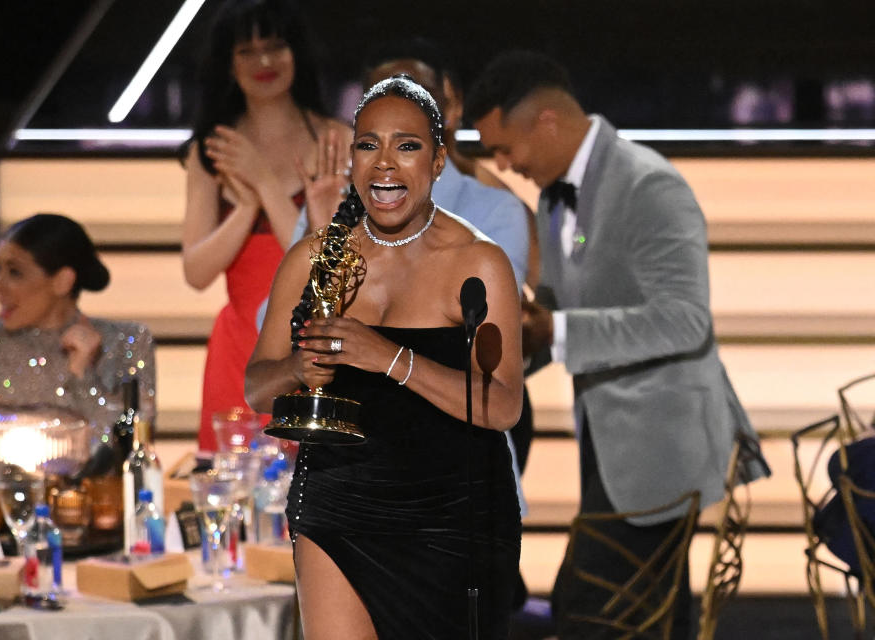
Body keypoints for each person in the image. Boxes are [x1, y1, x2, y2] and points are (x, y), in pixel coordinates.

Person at [466, 51, 768, 639]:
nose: (504, 164)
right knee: (652, 618)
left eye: (505, 148)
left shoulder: (648, 183)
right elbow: (555, 309)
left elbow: (684, 321)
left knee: (591, 613)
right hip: (614, 445)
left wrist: (553, 329)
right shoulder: (556, 197)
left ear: (547, 121)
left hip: (665, 446)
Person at [246, 75, 523, 639]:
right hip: (336, 505)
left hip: (453, 521)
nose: (385, 163)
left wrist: (388, 357)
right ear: (352, 159)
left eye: (407, 145)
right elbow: (256, 385)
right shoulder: (315, 258)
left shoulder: (478, 263)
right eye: (369, 144)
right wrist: (299, 369)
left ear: (439, 160)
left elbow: (501, 405)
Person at [182, 0, 351, 452]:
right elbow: (196, 272)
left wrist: (261, 181)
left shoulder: (338, 141)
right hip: (238, 347)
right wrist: (244, 209)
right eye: (247, 52)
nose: (263, 62)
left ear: (297, 53)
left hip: (314, 345)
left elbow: (331, 263)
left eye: (276, 47)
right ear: (228, 63)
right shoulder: (213, 150)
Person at [0, 214, 156, 462]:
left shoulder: (125, 341)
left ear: (62, 281)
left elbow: (130, 451)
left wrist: (84, 377)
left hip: (93, 499)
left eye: (15, 272)